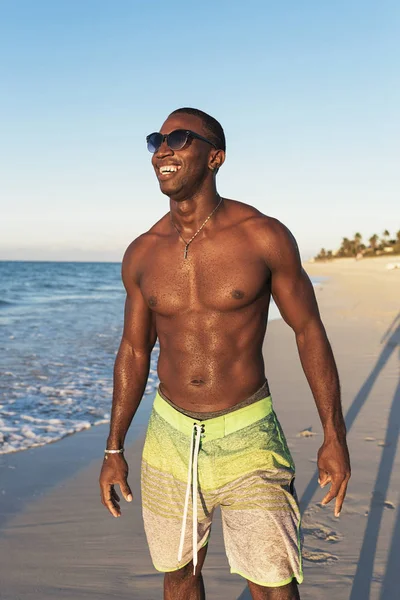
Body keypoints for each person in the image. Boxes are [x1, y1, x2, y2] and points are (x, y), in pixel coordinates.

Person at [99, 107, 351, 600]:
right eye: (157, 140)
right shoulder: (143, 252)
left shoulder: (263, 236)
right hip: (169, 438)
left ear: (215, 157)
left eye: (179, 138)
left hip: (248, 435)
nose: (163, 150)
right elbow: (133, 349)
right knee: (178, 577)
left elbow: (309, 333)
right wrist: (113, 447)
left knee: (274, 583)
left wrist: (333, 434)